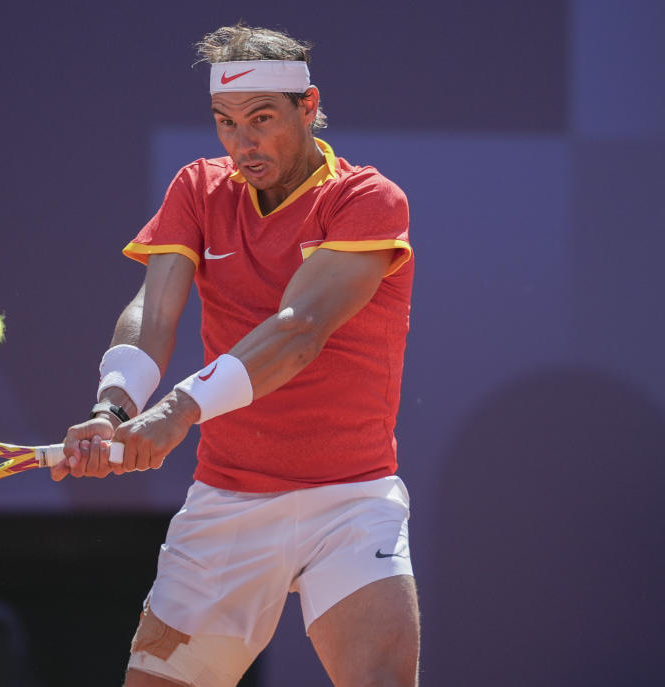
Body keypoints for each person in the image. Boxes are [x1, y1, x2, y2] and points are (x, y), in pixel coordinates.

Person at [51, 23, 419, 687]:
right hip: (228, 500)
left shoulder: (365, 200)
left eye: (262, 119)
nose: (241, 143)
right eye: (224, 121)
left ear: (308, 107)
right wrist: (113, 405)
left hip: (351, 499)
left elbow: (298, 330)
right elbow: (153, 312)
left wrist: (176, 411)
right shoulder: (199, 188)